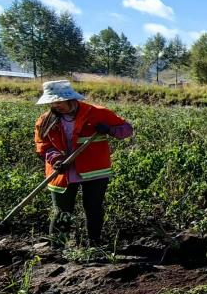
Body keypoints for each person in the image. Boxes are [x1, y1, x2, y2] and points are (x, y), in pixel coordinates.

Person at [33, 80, 134, 245]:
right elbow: (42, 146)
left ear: (70, 99)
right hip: (61, 172)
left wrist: (109, 129)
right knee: (62, 211)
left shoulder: (98, 113)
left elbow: (127, 130)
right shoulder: (45, 121)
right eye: (52, 103)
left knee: (93, 208)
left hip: (95, 171)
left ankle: (94, 243)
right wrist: (56, 160)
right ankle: (57, 247)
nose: (55, 106)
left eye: (58, 102)